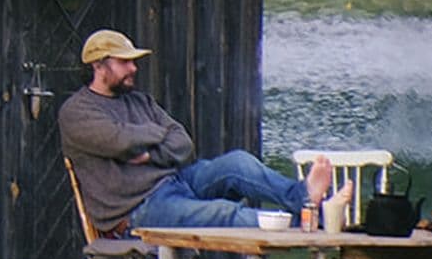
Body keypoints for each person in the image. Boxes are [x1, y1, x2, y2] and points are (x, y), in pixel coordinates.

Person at [58, 28, 334, 230]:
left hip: (178, 181)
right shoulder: (78, 112)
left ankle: (302, 198)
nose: (133, 68)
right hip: (138, 208)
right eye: (124, 61)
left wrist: (150, 154)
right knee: (223, 213)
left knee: (237, 164)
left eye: (133, 61)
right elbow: (121, 141)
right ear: (98, 65)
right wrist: (156, 132)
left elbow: (183, 143)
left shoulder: (139, 101)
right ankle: (305, 223)